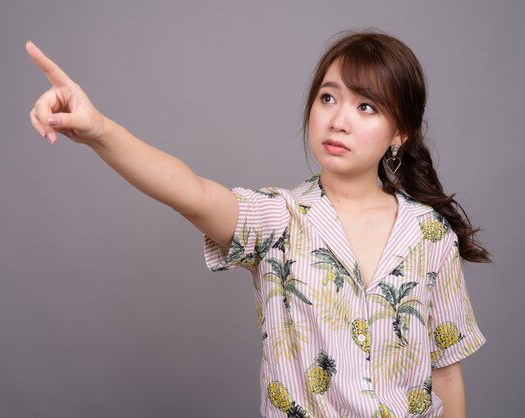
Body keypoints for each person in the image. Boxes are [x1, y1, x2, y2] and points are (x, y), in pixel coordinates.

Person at [26, 29, 490, 418]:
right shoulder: (278, 220)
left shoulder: (430, 233)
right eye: (328, 97)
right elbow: (188, 190)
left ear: (400, 132)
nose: (339, 119)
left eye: (366, 106)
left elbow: (445, 371)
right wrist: (98, 129)